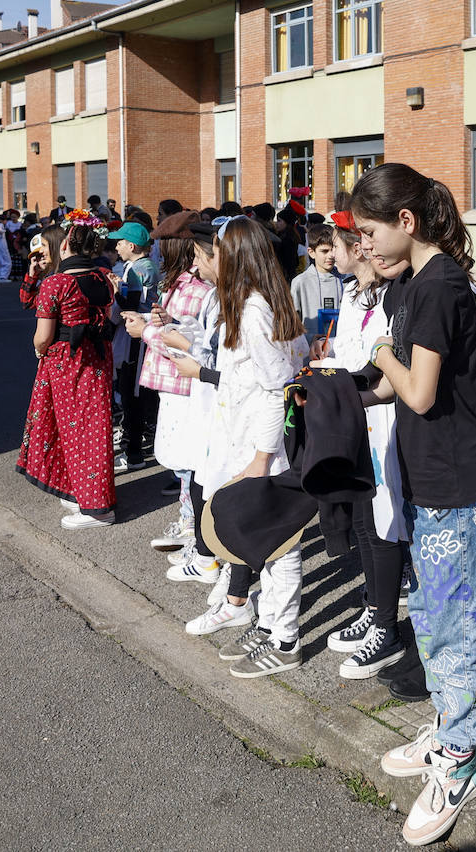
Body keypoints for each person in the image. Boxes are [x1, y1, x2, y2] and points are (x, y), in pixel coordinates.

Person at [355, 163, 476, 846]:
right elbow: (400, 391)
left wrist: (381, 351)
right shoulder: (412, 284)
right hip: (430, 478)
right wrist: (341, 390)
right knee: (436, 619)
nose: (363, 247)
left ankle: (462, 760)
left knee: (458, 628)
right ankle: (449, 729)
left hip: (456, 482)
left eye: (369, 232)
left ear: (406, 223)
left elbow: (414, 389)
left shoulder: (439, 286)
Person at [161, 217, 309, 674]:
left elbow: (275, 386)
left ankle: (285, 640)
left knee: (280, 545)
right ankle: (268, 625)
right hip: (245, 441)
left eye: (216, 249)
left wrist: (261, 458)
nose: (207, 256)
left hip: (261, 448)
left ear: (236, 256)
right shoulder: (247, 305)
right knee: (264, 541)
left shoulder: (254, 312)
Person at [311, 210, 410, 680]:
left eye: (346, 240)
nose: (338, 250)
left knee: (385, 521)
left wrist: (343, 377)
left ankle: (387, 629)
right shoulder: (356, 293)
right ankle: (375, 609)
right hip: (357, 414)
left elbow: (381, 359)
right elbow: (353, 352)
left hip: (383, 413)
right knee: (367, 520)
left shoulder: (395, 294)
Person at [16, 210, 119, 529]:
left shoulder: (57, 283)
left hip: (66, 363)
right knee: (92, 427)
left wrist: (38, 349)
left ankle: (98, 508)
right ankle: (83, 493)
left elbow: (43, 335)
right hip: (98, 358)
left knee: (74, 429)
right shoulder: (102, 275)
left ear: (65, 246)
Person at [123, 212, 213, 555]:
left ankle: (194, 531)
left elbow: (193, 342)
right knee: (180, 460)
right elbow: (178, 326)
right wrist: (155, 320)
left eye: (161, 246)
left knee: (189, 461)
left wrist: (146, 330)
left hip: (187, 382)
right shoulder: (176, 282)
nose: (156, 253)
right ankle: (189, 523)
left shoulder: (197, 287)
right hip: (173, 382)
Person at [108, 221, 160, 474]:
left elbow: (131, 304)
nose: (116, 246)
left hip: (137, 340)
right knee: (133, 396)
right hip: (137, 337)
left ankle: (133, 451)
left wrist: (117, 291)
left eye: (119, 242)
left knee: (132, 396)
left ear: (131, 245)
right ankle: (135, 446)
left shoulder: (139, 269)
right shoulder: (140, 266)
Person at [290, 224, 343, 337]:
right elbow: (293, 323)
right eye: (324, 251)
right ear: (311, 252)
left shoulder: (344, 280)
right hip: (309, 350)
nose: (331, 255)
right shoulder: (300, 283)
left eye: (333, 250)